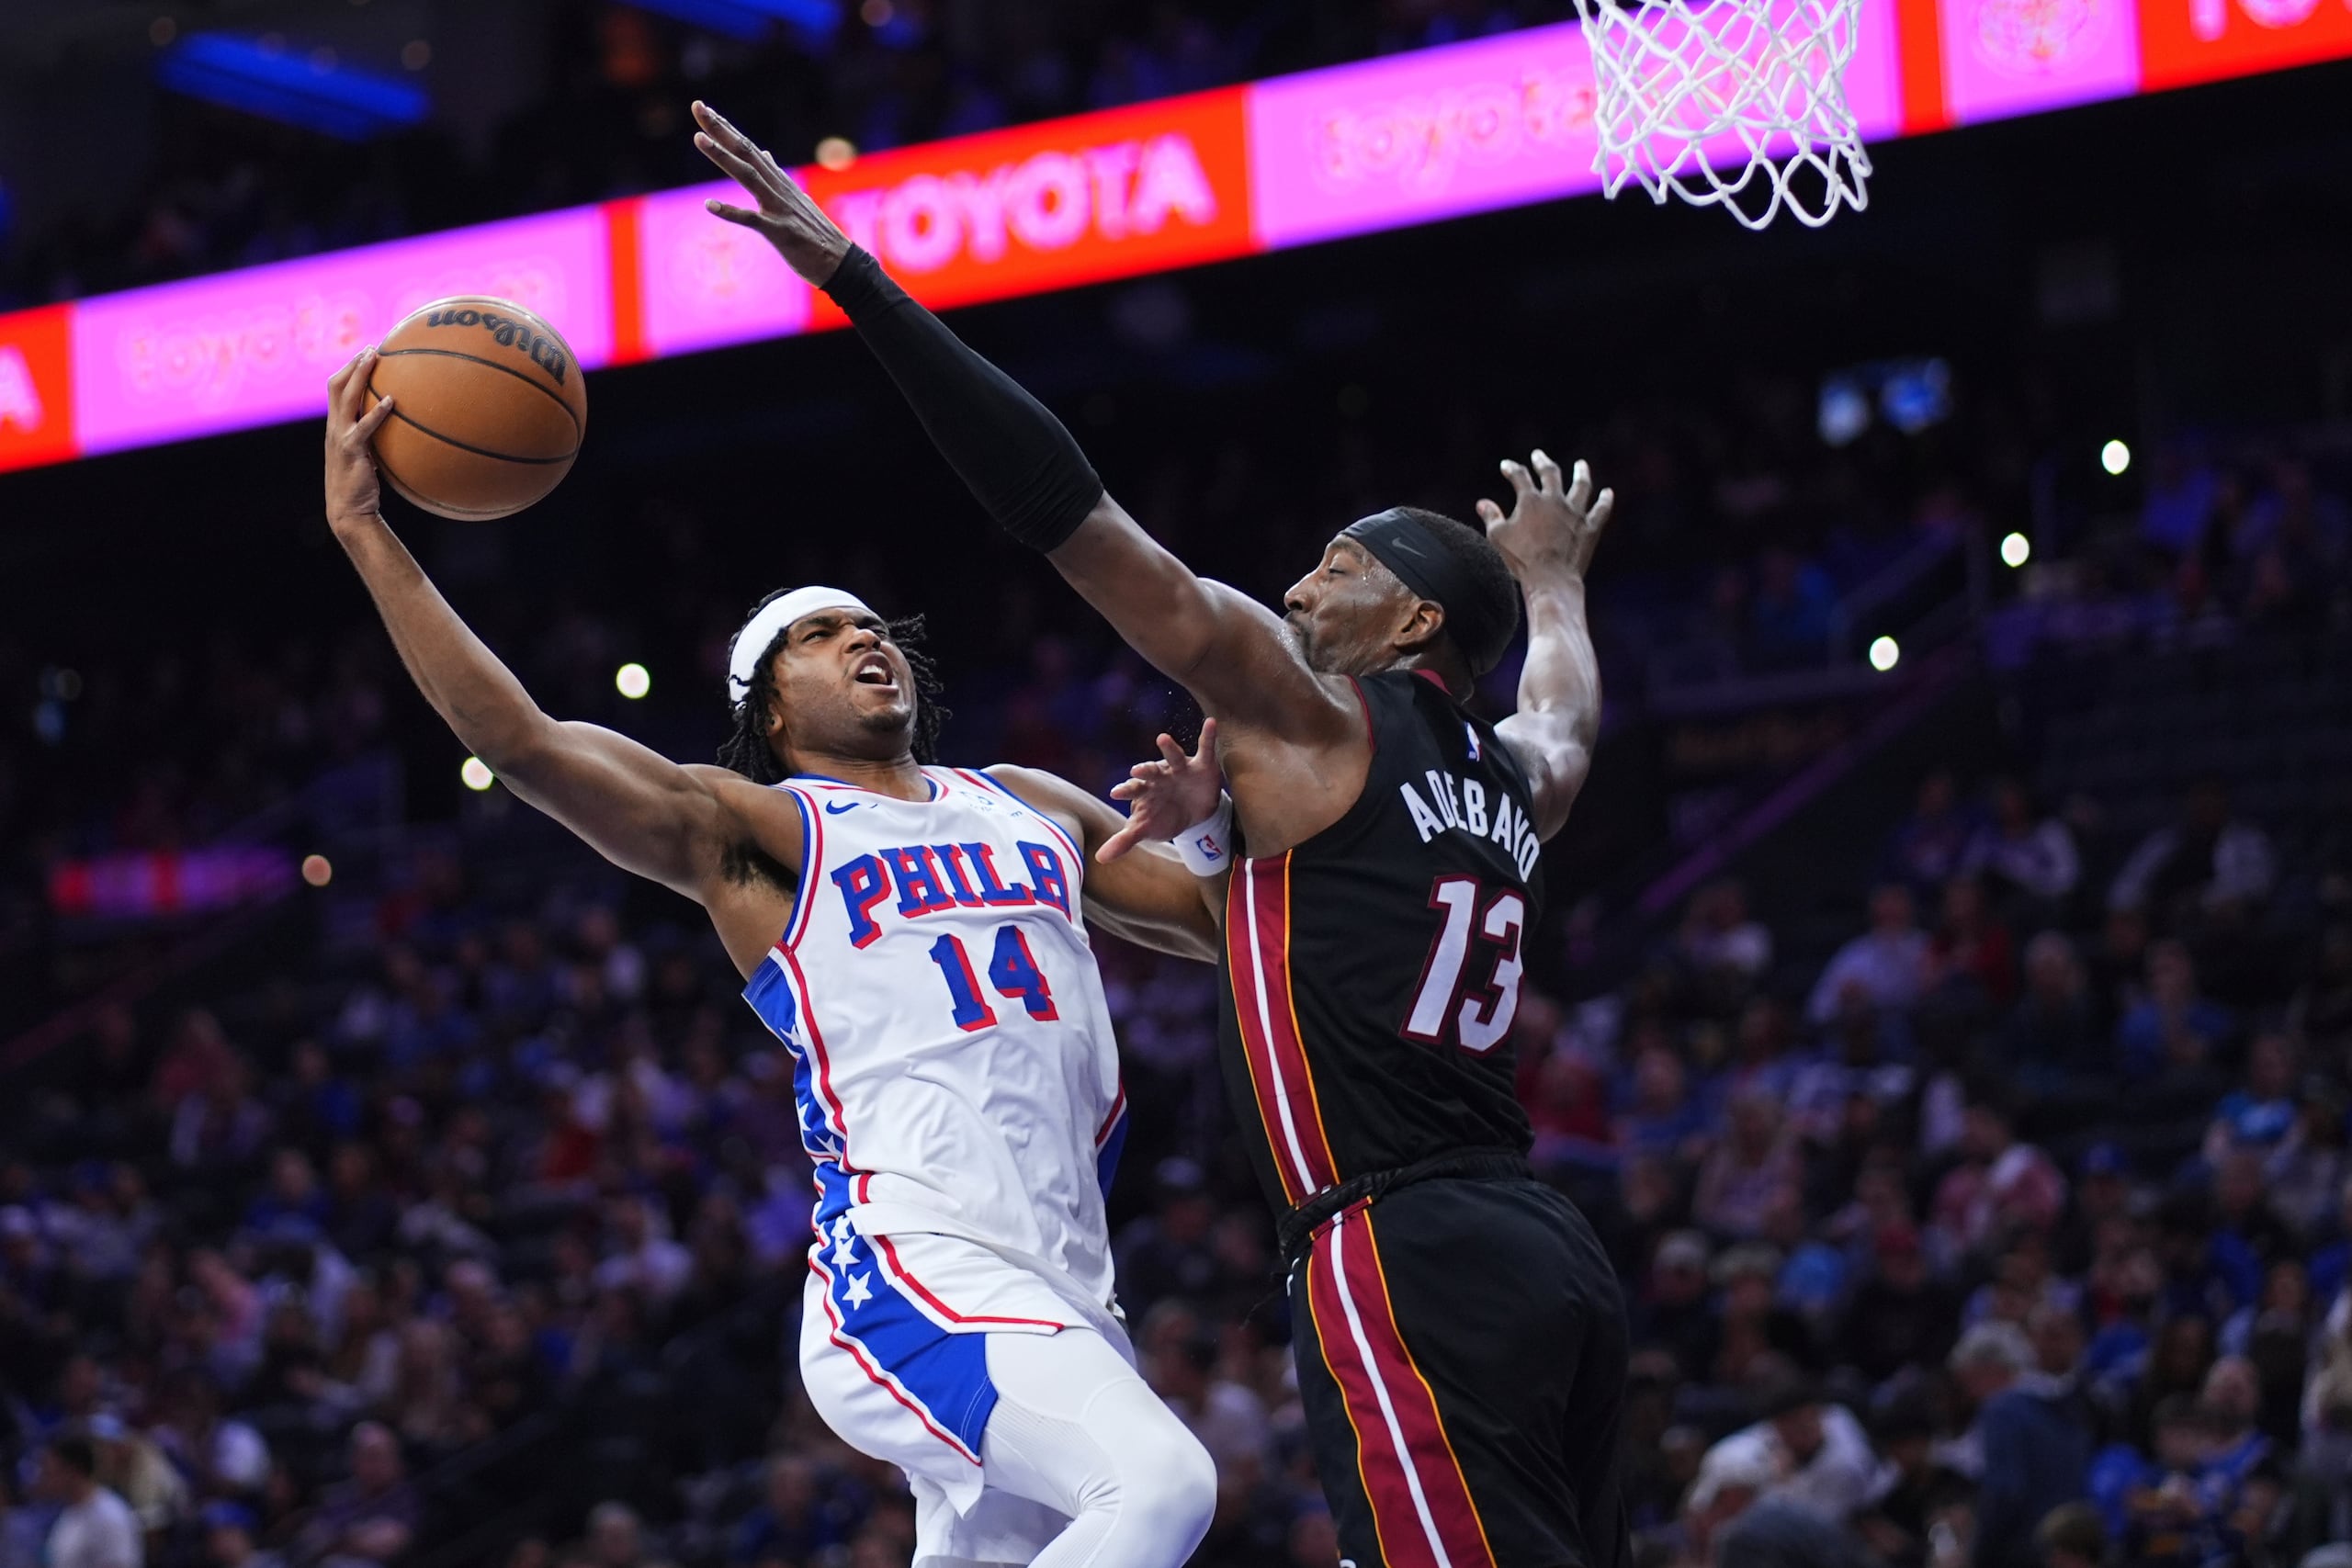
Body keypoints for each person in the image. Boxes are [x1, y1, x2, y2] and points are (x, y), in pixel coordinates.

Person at [691, 98, 1630, 1567]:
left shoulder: (1313, 718)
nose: (1300, 589)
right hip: (1548, 1242)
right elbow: (1564, 706)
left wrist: (860, 285)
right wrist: (1554, 581)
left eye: (1337, 567)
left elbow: (1069, 509)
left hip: (1398, 1238)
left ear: (1411, 621)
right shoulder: (1519, 774)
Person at [319, 354, 1220, 1565]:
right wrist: (366, 531)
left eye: (871, 625)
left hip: (1064, 1280)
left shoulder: (1026, 800)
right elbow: (523, 744)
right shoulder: (761, 831)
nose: (864, 639)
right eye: (821, 634)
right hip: (912, 1267)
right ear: (774, 704)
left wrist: (1207, 830)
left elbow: (1227, 928)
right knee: (1160, 1485)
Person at [35, 1436, 141, 1568]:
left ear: (72, 1471)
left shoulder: (109, 1516)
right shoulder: (70, 1510)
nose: (42, 1478)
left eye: (49, 1472)